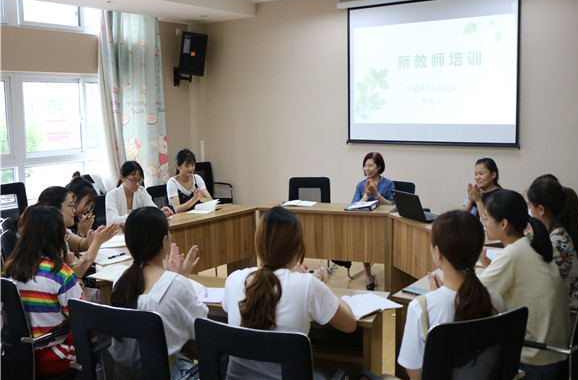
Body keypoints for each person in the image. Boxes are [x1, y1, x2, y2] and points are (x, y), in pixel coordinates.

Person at [222, 206, 356, 380]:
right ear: (298, 247)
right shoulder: (307, 285)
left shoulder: (234, 280)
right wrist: (319, 284)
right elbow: (349, 324)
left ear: (258, 245)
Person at [397, 210, 506, 379]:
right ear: (478, 252)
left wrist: (435, 298)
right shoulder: (495, 301)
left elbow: (414, 370)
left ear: (438, 252)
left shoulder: (422, 308)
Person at [478, 190, 569, 379]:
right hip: (555, 354)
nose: (483, 223)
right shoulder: (529, 244)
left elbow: (472, 295)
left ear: (503, 224)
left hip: (534, 359)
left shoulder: (512, 254)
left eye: (486, 218)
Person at [110, 206, 208, 380]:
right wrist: (181, 280)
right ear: (164, 242)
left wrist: (177, 279)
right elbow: (200, 327)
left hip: (124, 375)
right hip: (165, 372)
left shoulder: (120, 279)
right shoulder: (176, 284)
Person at [3, 205, 83, 377]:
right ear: (58, 235)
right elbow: (82, 319)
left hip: (17, 356)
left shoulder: (10, 269)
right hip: (54, 357)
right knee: (99, 332)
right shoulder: (60, 274)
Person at [527, 178, 578, 311]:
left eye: (530, 206)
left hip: (564, 316)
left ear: (541, 209)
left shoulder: (555, 244)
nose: (530, 212)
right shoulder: (570, 233)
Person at [28, 186, 118, 279]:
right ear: (54, 209)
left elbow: (79, 244)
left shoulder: (63, 230)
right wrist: (97, 242)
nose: (74, 210)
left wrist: (93, 238)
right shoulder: (48, 237)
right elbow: (77, 272)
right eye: (70, 205)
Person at [351, 152, 394, 290]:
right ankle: (368, 275)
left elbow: (393, 206)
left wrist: (377, 195)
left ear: (379, 167)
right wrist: (366, 195)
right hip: (365, 223)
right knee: (363, 241)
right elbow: (353, 205)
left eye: (370, 166)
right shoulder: (361, 185)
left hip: (384, 224)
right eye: (365, 166)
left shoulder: (388, 184)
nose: (367, 169)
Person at [106, 160, 173, 225]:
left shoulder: (141, 191)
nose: (138, 184)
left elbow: (151, 210)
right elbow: (112, 221)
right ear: (122, 178)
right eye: (134, 180)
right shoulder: (112, 195)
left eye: (140, 180)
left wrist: (160, 213)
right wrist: (135, 216)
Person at [167, 148, 213, 213]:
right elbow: (177, 210)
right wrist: (195, 199)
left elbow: (210, 199)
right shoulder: (172, 183)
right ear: (178, 167)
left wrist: (202, 199)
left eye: (192, 165)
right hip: (180, 218)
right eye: (187, 166)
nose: (191, 168)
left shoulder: (197, 178)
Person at [66, 171, 97, 242]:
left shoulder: (81, 220)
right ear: (73, 197)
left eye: (91, 205)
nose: (88, 208)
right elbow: (69, 247)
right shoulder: (64, 220)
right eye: (87, 203)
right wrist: (81, 233)